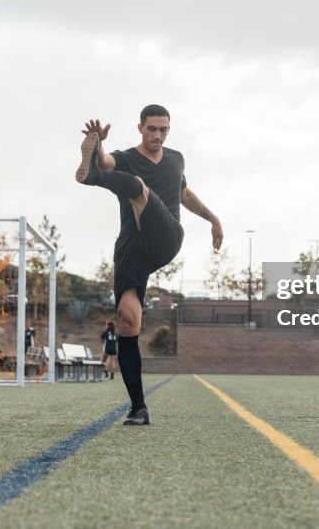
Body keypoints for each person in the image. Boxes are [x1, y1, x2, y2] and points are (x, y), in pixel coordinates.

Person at [76, 104, 223, 425]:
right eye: (152, 129)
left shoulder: (176, 159)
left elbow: (184, 194)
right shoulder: (127, 157)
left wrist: (212, 218)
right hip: (131, 249)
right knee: (128, 323)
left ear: (168, 129)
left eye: (163, 129)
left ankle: (93, 179)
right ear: (140, 128)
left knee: (139, 188)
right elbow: (107, 161)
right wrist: (96, 146)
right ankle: (138, 408)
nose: (158, 135)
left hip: (166, 236)